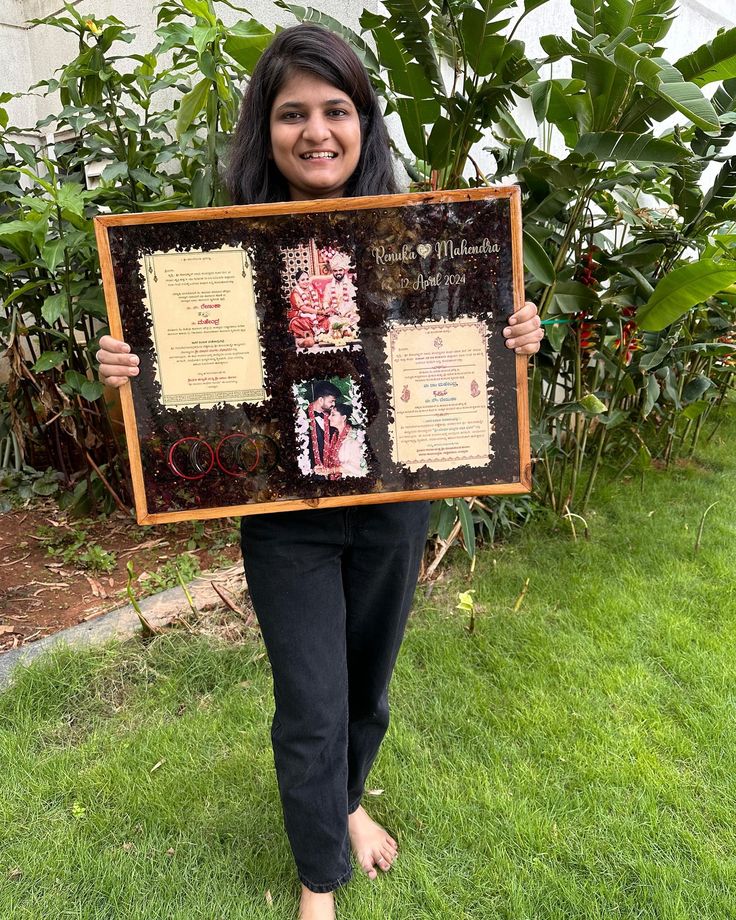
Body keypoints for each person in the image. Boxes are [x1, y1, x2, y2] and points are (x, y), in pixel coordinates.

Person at [97, 24, 544, 920]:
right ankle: (318, 881)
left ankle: (347, 799)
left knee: (366, 686)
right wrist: (131, 376)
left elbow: (454, 372)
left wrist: (513, 344)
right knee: (311, 699)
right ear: (265, 130)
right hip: (284, 517)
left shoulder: (423, 240)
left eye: (336, 110)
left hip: (391, 505)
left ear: (365, 123)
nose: (316, 131)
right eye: (292, 113)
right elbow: (191, 407)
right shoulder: (219, 254)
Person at [313, 403, 367, 478]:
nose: (329, 418)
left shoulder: (353, 438)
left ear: (343, 417)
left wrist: (331, 470)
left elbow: (357, 468)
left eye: (333, 415)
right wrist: (324, 469)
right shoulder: (335, 436)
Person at [305, 379, 340, 477]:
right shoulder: (302, 417)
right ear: (321, 400)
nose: (333, 404)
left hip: (330, 472)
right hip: (310, 474)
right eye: (331, 401)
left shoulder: (332, 418)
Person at [288, 268, 328, 348]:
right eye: (303, 280)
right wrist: (318, 312)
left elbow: (319, 304)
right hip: (302, 317)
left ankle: (317, 336)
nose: (306, 281)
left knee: (326, 319)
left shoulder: (313, 290)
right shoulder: (295, 293)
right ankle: (306, 337)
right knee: (295, 323)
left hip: (315, 315)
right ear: (297, 282)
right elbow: (303, 308)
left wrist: (322, 311)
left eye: (307, 279)